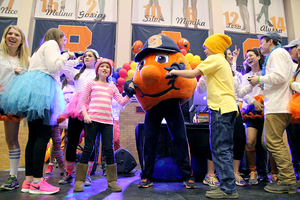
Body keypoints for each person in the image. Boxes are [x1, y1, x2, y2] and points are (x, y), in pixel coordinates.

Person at [0, 28, 74, 195]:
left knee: (33, 137)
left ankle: (29, 180)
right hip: (43, 92)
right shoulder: (52, 44)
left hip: (34, 91)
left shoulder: (38, 50)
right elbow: (53, 66)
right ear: (59, 37)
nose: (64, 43)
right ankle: (38, 183)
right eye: (64, 39)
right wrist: (66, 55)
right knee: (42, 135)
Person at [167, 33, 238, 198]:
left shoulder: (214, 59)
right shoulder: (222, 61)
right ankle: (228, 185)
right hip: (229, 108)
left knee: (220, 149)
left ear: (214, 47)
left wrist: (174, 73)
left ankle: (228, 189)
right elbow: (201, 88)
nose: (204, 49)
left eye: (206, 46)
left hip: (221, 108)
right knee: (224, 148)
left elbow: (192, 74)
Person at [73, 58, 133, 192]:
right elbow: (82, 102)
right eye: (102, 66)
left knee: (109, 150)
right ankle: (80, 181)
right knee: (88, 148)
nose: (105, 69)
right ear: (98, 69)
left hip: (107, 123)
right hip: (92, 121)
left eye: (107, 67)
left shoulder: (112, 87)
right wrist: (86, 115)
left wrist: (129, 94)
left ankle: (112, 181)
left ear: (110, 71)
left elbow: (121, 102)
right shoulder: (91, 84)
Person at [248, 31, 297, 194]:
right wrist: (265, 85)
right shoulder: (279, 54)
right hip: (277, 104)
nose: (260, 46)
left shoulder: (277, 53)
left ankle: (288, 181)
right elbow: (280, 78)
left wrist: (259, 80)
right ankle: (286, 178)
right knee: (271, 142)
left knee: (273, 142)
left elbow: (280, 76)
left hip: (278, 106)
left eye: (262, 42)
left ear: (270, 41)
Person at [197, 47, 249, 188]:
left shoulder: (234, 74)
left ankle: (233, 174)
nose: (232, 56)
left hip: (234, 108)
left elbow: (240, 92)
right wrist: (203, 76)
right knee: (217, 142)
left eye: (232, 54)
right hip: (219, 108)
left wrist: (252, 88)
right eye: (230, 54)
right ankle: (210, 174)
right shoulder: (213, 68)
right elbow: (200, 89)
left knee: (237, 140)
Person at [59, 49, 100, 186]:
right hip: (76, 109)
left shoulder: (98, 74)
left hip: (92, 109)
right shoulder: (77, 73)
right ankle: (69, 174)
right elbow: (64, 67)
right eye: (86, 55)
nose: (87, 57)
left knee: (90, 143)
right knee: (71, 141)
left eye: (90, 56)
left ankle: (86, 175)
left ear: (96, 59)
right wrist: (77, 60)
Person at [0, 25, 29, 190]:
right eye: (9, 33)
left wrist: (23, 74)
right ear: (5, 37)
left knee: (11, 139)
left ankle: (13, 177)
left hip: (11, 101)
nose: (12, 36)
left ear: (21, 40)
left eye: (16, 34)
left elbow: (32, 79)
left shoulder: (25, 60)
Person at [241, 48, 270, 185]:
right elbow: (242, 94)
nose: (248, 58)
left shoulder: (267, 73)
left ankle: (269, 173)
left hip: (267, 109)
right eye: (247, 57)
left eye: (251, 55)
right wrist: (254, 101)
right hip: (251, 110)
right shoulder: (245, 75)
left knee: (266, 143)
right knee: (250, 141)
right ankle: (252, 171)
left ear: (258, 56)